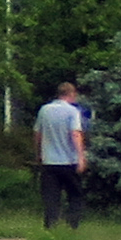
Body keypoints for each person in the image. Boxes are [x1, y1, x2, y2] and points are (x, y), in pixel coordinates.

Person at [38, 78, 89, 231]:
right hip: (69, 162)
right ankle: (71, 227)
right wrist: (81, 158)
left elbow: (37, 134)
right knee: (75, 195)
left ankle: (50, 228)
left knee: (51, 198)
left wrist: (38, 153)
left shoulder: (44, 110)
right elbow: (75, 134)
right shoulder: (72, 112)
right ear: (71, 94)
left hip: (49, 162)